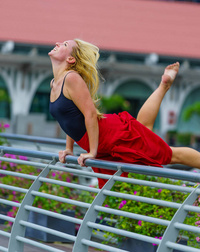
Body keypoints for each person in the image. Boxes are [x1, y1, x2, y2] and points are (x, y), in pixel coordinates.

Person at [49, 39, 200, 188]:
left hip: (109, 137)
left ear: (70, 59)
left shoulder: (71, 78)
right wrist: (69, 148)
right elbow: (70, 117)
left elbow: (90, 115)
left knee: (169, 155)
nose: (57, 43)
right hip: (101, 144)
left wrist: (92, 152)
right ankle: (163, 86)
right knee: (144, 131)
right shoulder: (54, 83)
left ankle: (163, 86)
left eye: (64, 44)